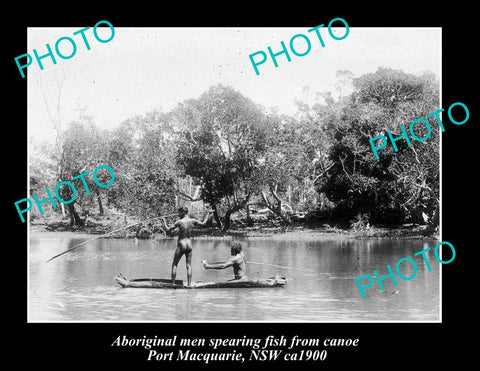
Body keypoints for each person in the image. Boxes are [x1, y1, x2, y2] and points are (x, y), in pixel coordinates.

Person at [162, 207, 211, 286]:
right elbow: (204, 223)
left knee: (174, 264)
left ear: (183, 213)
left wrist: (164, 221)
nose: (178, 214)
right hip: (189, 244)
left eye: (179, 213)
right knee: (189, 265)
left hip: (182, 244)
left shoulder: (179, 222)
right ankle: (189, 285)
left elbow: (168, 230)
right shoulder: (192, 221)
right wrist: (208, 213)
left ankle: (173, 284)